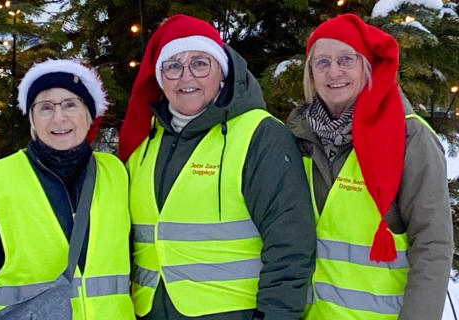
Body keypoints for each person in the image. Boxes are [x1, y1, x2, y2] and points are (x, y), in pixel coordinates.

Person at [119, 14, 316, 320]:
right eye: (173, 66)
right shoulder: (144, 143)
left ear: (222, 72)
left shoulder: (259, 134)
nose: (186, 77)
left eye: (200, 63)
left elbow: (290, 244)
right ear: (160, 78)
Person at [287, 14, 453, 320]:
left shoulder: (410, 138)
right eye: (321, 62)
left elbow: (433, 245)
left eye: (346, 59)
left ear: (367, 67)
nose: (333, 71)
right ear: (311, 74)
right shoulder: (297, 137)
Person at [0, 59, 135, 320]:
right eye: (45, 107)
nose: (59, 118)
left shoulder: (116, 173)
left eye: (71, 104)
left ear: (89, 114)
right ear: (32, 119)